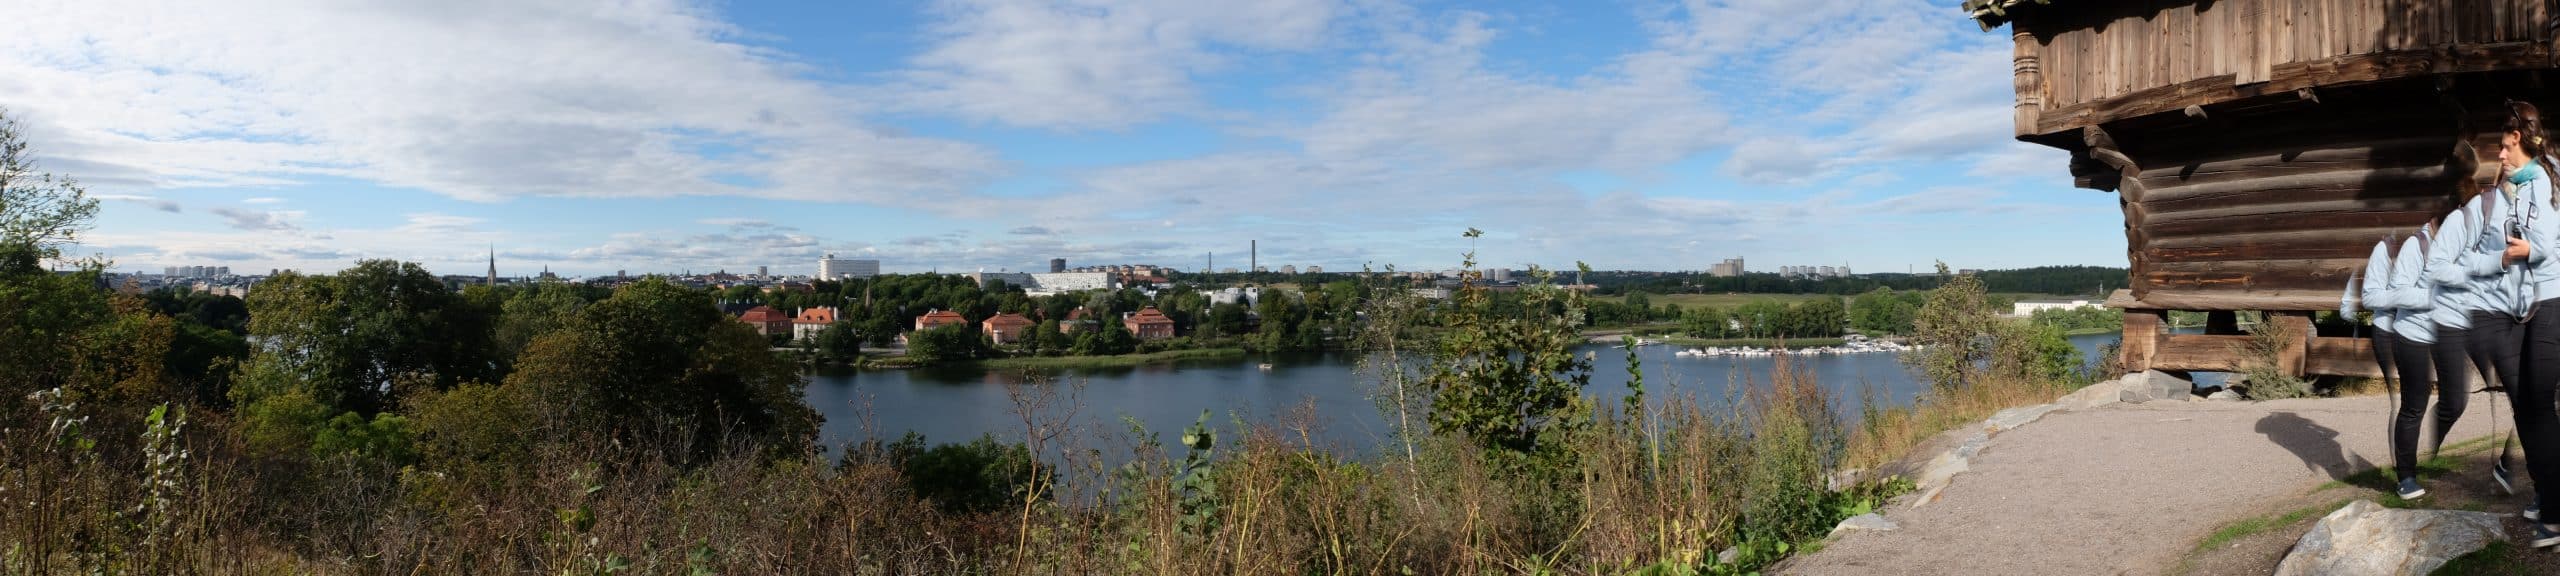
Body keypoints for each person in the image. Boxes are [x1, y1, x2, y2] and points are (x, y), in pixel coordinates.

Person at [2482, 100, 2560, 548]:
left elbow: (2543, 245)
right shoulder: (2523, 185)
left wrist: (2519, 253)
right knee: (2528, 407)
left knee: (2537, 406)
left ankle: (2556, 509)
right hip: (2529, 306)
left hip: (2551, 303)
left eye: (2506, 147)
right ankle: (2548, 491)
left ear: (2524, 144)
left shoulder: (2541, 182)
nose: (2500, 155)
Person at [2385, 226, 2461, 500]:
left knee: (2457, 400)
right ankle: (2406, 476)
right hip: (2412, 333)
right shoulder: (2416, 245)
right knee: (2414, 406)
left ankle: (2432, 435)